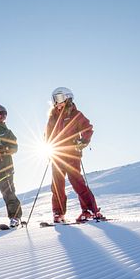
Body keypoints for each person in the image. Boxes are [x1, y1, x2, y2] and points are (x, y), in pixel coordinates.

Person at [45, 87, 105, 223]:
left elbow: (88, 128)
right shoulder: (52, 117)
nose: (57, 102)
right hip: (57, 154)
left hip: (72, 153)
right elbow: (47, 134)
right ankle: (58, 213)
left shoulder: (75, 115)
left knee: (76, 182)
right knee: (57, 185)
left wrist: (83, 141)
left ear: (68, 97)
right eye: (55, 99)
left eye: (60, 98)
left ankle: (89, 210)